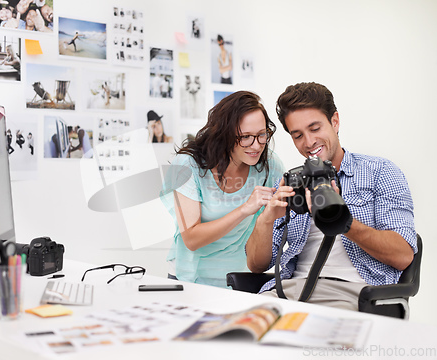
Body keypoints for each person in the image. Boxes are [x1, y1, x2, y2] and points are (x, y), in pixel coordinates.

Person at [245, 82, 417, 311]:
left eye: (315, 129)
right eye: (298, 135)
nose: (308, 142)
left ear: (334, 121)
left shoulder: (380, 173)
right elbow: (256, 265)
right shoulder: (290, 183)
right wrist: (266, 219)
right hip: (287, 292)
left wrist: (343, 222)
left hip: (354, 295)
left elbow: (403, 256)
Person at [160, 91, 285, 288]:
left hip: (239, 278)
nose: (257, 145)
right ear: (225, 134)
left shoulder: (269, 165)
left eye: (262, 135)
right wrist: (244, 209)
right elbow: (191, 239)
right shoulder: (188, 165)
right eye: (245, 137)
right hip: (190, 277)